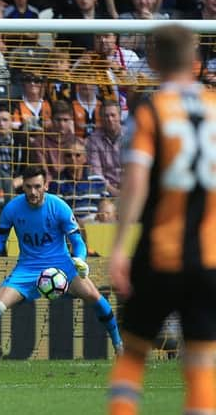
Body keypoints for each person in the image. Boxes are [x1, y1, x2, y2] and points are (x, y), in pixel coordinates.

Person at [108, 24, 216, 415]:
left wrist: (119, 247)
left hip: (159, 254)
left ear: (152, 62)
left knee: (134, 352)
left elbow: (135, 181)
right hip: (208, 258)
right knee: (202, 363)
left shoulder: (150, 111)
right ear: (198, 64)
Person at [0, 165, 122, 362]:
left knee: (94, 296)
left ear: (46, 185)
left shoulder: (59, 206)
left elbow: (78, 241)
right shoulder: (12, 208)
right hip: (27, 268)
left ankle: (119, 345)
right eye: (28, 187)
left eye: (37, 186)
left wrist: (80, 259)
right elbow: (0, 238)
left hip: (62, 267)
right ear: (23, 187)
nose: (32, 192)